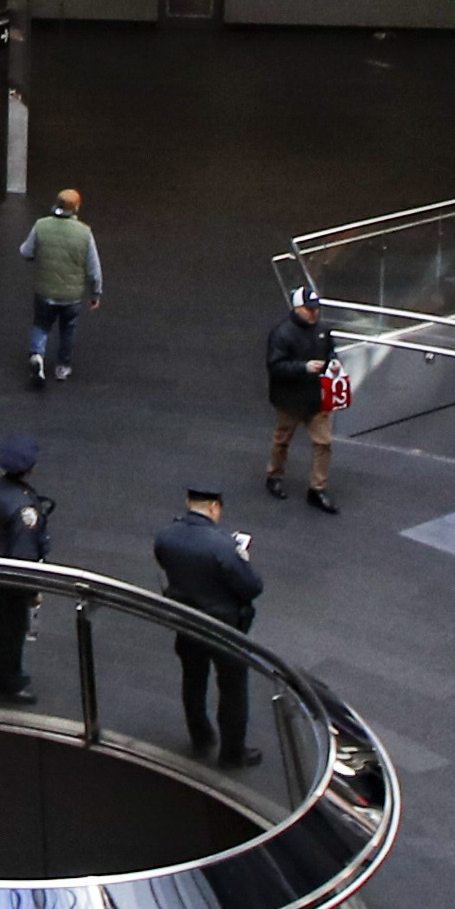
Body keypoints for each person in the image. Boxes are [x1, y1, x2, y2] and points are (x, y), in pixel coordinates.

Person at [150, 484, 258, 766]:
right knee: (232, 686)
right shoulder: (223, 545)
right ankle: (232, 752)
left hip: (186, 618)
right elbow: (251, 586)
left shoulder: (166, 536)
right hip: (223, 625)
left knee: (193, 677)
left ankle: (201, 734)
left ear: (188, 502)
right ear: (214, 508)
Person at [0, 432, 52, 703]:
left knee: (5, 624)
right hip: (13, 577)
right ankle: (9, 680)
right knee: (13, 627)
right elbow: (24, 555)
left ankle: (6, 673)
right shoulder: (24, 509)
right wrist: (33, 589)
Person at [265, 283, 344, 512]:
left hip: (317, 398)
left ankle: (317, 488)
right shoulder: (282, 333)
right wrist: (304, 368)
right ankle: (275, 475)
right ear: (297, 308)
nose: (314, 313)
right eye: (309, 309)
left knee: (324, 443)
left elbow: (331, 350)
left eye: (316, 309)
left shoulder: (322, 330)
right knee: (282, 439)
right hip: (290, 399)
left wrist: (334, 361)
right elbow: (275, 365)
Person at [17, 187, 102, 385]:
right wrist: (95, 294)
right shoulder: (84, 233)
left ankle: (37, 355)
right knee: (68, 329)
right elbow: (94, 269)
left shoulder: (41, 225)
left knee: (41, 324)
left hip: (45, 291)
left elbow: (25, 251)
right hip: (71, 296)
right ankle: (62, 367)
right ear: (77, 208)